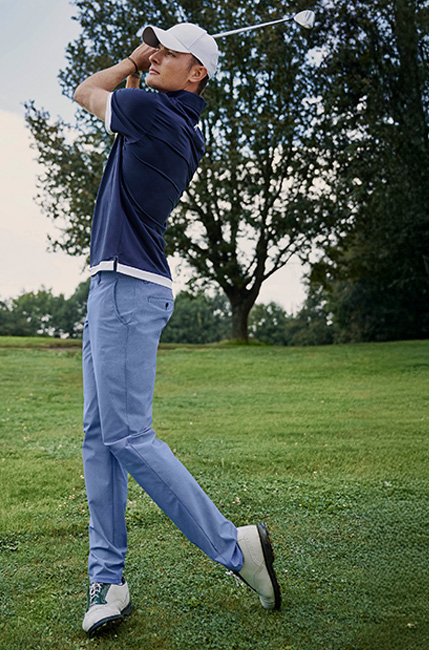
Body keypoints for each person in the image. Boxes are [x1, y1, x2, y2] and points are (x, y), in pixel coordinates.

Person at [70, 22, 282, 636]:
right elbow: (117, 103)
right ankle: (108, 581)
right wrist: (146, 65)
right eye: (154, 46)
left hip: (128, 291)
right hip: (113, 286)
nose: (157, 54)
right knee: (99, 437)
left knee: (127, 435)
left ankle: (234, 547)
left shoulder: (150, 112)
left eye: (170, 51)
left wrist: (130, 60)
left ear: (197, 74)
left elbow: (87, 91)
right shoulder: (167, 118)